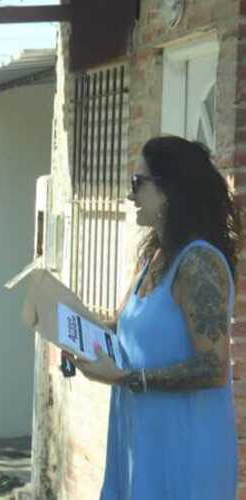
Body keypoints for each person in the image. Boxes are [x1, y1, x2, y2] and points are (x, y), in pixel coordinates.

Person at [63, 136, 241, 499]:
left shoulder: (198, 263)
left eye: (137, 183)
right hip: (140, 444)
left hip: (184, 455)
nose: (130, 196)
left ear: (169, 190)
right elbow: (123, 330)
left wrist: (128, 377)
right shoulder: (154, 259)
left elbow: (213, 368)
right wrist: (71, 331)